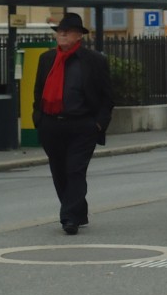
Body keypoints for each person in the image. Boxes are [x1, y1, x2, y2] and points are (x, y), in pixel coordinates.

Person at [33, 12, 114, 236]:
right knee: (59, 172)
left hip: (82, 126)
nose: (62, 34)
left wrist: (98, 124)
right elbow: (38, 91)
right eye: (60, 31)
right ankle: (78, 211)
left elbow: (107, 97)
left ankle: (69, 218)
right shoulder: (46, 59)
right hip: (51, 124)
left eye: (67, 32)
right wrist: (38, 118)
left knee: (75, 170)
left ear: (79, 36)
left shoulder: (94, 61)